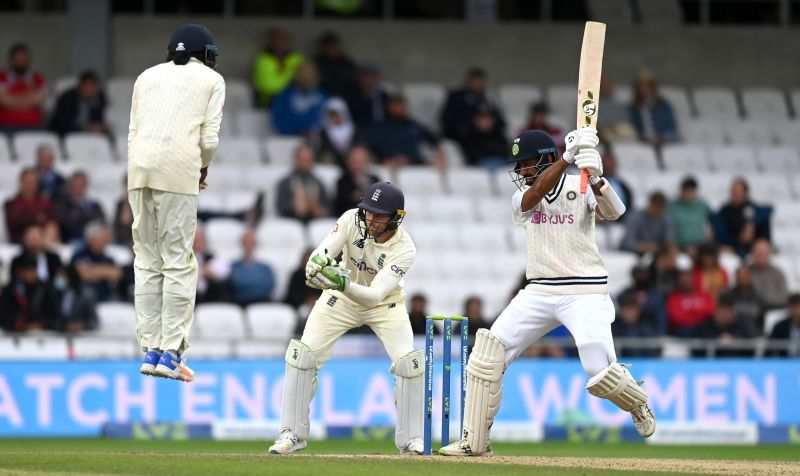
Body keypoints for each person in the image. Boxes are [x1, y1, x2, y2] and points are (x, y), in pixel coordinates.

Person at [441, 128, 655, 457]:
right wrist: (568, 159)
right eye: (519, 165)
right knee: (487, 355)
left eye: (527, 164)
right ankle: (474, 442)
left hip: (585, 290)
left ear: (546, 158)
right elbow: (532, 197)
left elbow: (616, 213)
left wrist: (597, 178)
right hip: (539, 289)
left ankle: (637, 403)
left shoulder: (580, 183)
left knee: (597, 370)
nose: (521, 172)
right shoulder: (522, 196)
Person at [269, 182, 423, 455]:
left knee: (408, 364)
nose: (371, 220)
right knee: (302, 356)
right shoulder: (352, 219)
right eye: (368, 212)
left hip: (385, 305)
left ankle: (411, 440)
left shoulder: (405, 249)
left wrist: (341, 283)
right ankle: (291, 433)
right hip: (340, 301)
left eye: (379, 215)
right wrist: (316, 268)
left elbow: (375, 296)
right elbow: (322, 253)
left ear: (396, 218)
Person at [127, 24, 225, 382]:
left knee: (147, 260)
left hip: (138, 170)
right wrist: (200, 168)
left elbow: (133, 132)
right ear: (205, 54)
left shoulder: (145, 77)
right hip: (177, 171)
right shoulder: (212, 81)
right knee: (179, 262)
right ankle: (171, 352)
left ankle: (149, 349)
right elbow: (210, 139)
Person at [367, 95, 445, 169]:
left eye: (401, 105)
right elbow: (373, 147)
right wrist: (386, 160)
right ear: (389, 107)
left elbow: (434, 140)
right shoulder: (381, 126)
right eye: (395, 105)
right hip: (389, 165)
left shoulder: (414, 125)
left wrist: (439, 157)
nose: (399, 108)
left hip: (414, 164)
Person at [440, 68, 504, 143]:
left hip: (489, 136)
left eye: (480, 81)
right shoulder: (456, 97)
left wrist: (490, 123)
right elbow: (448, 120)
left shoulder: (489, 98)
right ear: (468, 81)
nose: (477, 84)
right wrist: (474, 123)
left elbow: (501, 122)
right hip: (464, 137)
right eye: (474, 81)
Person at [0, 255, 61, 332]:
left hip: (43, 335)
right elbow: (4, 315)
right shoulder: (10, 290)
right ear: (20, 272)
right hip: (15, 334)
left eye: (32, 270)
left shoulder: (46, 289)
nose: (29, 274)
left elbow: (54, 315)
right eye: (26, 271)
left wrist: (42, 324)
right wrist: (18, 325)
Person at [715, 178, 772, 258]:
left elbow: (769, 209)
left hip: (752, 249)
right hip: (732, 248)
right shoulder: (725, 211)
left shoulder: (753, 208)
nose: (735, 194)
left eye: (738, 192)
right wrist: (739, 238)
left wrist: (752, 225)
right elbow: (721, 233)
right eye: (733, 192)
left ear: (746, 193)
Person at [270, 61, 327, 136]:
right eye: (303, 74)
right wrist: (298, 131)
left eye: (310, 74)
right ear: (296, 75)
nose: (307, 78)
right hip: (291, 139)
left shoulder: (323, 96)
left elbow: (331, 118)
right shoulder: (284, 97)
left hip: (319, 138)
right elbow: (280, 120)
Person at [275, 144, 330, 223]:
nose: (305, 163)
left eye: (308, 160)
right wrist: (296, 206)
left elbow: (329, 207)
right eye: (302, 159)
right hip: (292, 222)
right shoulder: (285, 182)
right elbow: (281, 206)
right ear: (296, 160)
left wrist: (317, 209)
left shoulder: (318, 182)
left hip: (315, 222)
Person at [70, 222, 121, 303]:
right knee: (88, 293)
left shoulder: (108, 258)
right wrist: (105, 271)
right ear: (92, 239)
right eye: (102, 239)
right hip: (83, 297)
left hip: (106, 295)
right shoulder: (80, 255)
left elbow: (117, 273)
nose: (105, 242)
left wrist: (94, 270)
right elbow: (85, 275)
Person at [4, 168, 58, 244]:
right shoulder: (11, 203)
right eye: (28, 182)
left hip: (43, 237)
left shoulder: (45, 202)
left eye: (33, 183)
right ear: (21, 182)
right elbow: (15, 224)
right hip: (21, 240)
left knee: (51, 229)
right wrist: (37, 219)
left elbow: (53, 219)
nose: (30, 186)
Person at [253, 27, 304, 107]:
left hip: (293, 99)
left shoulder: (296, 58)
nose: (281, 42)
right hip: (269, 101)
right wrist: (290, 73)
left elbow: (304, 81)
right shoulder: (263, 59)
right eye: (278, 39)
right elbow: (268, 85)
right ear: (272, 41)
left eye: (284, 39)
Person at [0, 43, 46, 131]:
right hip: (5, 126)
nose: (21, 63)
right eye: (18, 60)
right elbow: (3, 101)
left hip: (34, 125)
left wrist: (13, 99)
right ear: (11, 60)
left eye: (23, 60)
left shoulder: (38, 78)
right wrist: (29, 98)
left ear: (28, 60)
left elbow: (40, 99)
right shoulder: (2, 77)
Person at [49, 69, 108, 136]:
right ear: (81, 86)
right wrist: (86, 127)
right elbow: (62, 123)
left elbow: (99, 119)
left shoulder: (99, 98)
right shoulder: (67, 98)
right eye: (88, 86)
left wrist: (100, 127)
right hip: (67, 134)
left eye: (94, 86)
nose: (91, 90)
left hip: (90, 135)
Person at [627, 70, 678, 147]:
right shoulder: (633, 108)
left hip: (665, 144)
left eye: (646, 86)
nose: (643, 89)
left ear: (652, 87)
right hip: (642, 145)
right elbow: (632, 129)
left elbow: (672, 130)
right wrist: (643, 138)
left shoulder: (664, 106)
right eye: (640, 86)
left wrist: (661, 138)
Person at [56, 171, 105, 244]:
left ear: (86, 186)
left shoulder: (94, 205)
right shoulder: (64, 204)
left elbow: (101, 220)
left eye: (81, 185)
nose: (78, 188)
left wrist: (81, 216)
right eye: (76, 185)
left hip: (94, 241)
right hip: (73, 241)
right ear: (70, 186)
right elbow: (66, 224)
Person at [229, 230, 275, 307]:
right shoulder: (233, 266)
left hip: (261, 303)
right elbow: (233, 285)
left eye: (251, 242)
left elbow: (270, 285)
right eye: (246, 242)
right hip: (239, 303)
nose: (248, 245)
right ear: (242, 244)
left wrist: (244, 284)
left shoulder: (265, 268)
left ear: (255, 244)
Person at [667, 176, 712, 251]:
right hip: (678, 246)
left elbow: (714, 220)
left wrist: (710, 234)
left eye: (690, 191)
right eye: (685, 190)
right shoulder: (671, 206)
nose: (687, 193)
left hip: (699, 246)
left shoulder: (702, 206)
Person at [666, 269, 716, 336]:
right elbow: (677, 318)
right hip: (682, 332)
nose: (687, 281)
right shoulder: (674, 298)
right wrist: (698, 316)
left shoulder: (705, 296)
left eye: (689, 278)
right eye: (684, 279)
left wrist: (691, 314)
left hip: (704, 329)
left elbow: (710, 312)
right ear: (679, 281)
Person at [459, 103, 508, 169]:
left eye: (488, 119)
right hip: (479, 166)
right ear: (476, 120)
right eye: (483, 119)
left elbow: (506, 150)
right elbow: (472, 155)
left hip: (501, 162)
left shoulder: (497, 133)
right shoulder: (469, 135)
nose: (486, 122)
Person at [612, 290, 660, 357]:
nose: (630, 313)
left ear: (639, 310)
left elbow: (652, 356)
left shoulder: (646, 329)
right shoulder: (613, 329)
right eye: (627, 309)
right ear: (621, 311)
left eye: (633, 309)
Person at [334, 146, 380, 216]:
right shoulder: (343, 182)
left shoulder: (375, 179)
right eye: (355, 161)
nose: (358, 165)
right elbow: (345, 203)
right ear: (348, 162)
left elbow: (381, 200)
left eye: (361, 161)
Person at [311, 97, 357, 168]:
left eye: (336, 114)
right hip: (330, 164)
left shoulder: (353, 130)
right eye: (331, 115)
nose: (334, 117)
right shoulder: (320, 131)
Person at [313, 31, 358, 100]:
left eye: (334, 46)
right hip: (321, 98)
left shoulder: (347, 63)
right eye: (328, 46)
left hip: (344, 98)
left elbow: (352, 82)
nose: (331, 49)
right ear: (323, 47)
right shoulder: (316, 62)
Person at [721, 266, 763, 337]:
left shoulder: (758, 297)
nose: (742, 278)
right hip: (733, 336)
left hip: (753, 336)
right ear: (736, 277)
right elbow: (723, 319)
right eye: (740, 276)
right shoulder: (727, 297)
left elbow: (761, 321)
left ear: (749, 277)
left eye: (745, 275)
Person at [747, 239, 788, 310]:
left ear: (769, 253)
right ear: (752, 253)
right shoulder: (746, 272)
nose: (761, 255)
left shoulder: (777, 273)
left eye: (763, 252)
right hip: (753, 311)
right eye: (758, 252)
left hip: (776, 309)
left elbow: (784, 296)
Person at [193, 225, 230, 303]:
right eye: (195, 240)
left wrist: (209, 272)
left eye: (199, 240)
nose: (197, 243)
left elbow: (224, 272)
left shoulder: (212, 257)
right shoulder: (185, 259)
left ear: (204, 241)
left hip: (212, 299)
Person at [596, 75, 636, 143]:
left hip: (619, 133)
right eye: (604, 84)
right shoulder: (592, 105)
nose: (607, 87)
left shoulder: (618, 105)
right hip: (601, 134)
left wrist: (615, 127)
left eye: (609, 84)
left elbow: (627, 122)